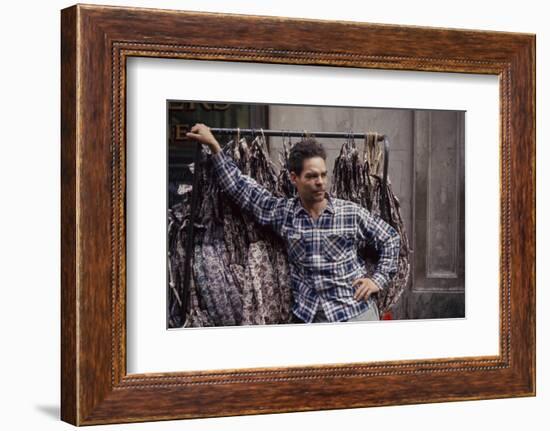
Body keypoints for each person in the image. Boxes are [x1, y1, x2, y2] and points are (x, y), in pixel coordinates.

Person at [186, 123, 401, 323]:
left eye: (324, 175)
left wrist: (377, 280)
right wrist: (214, 147)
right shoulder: (284, 214)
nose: (320, 182)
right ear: (293, 178)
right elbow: (244, 191)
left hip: (355, 315)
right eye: (312, 176)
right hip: (310, 318)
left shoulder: (350, 213)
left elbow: (390, 238)